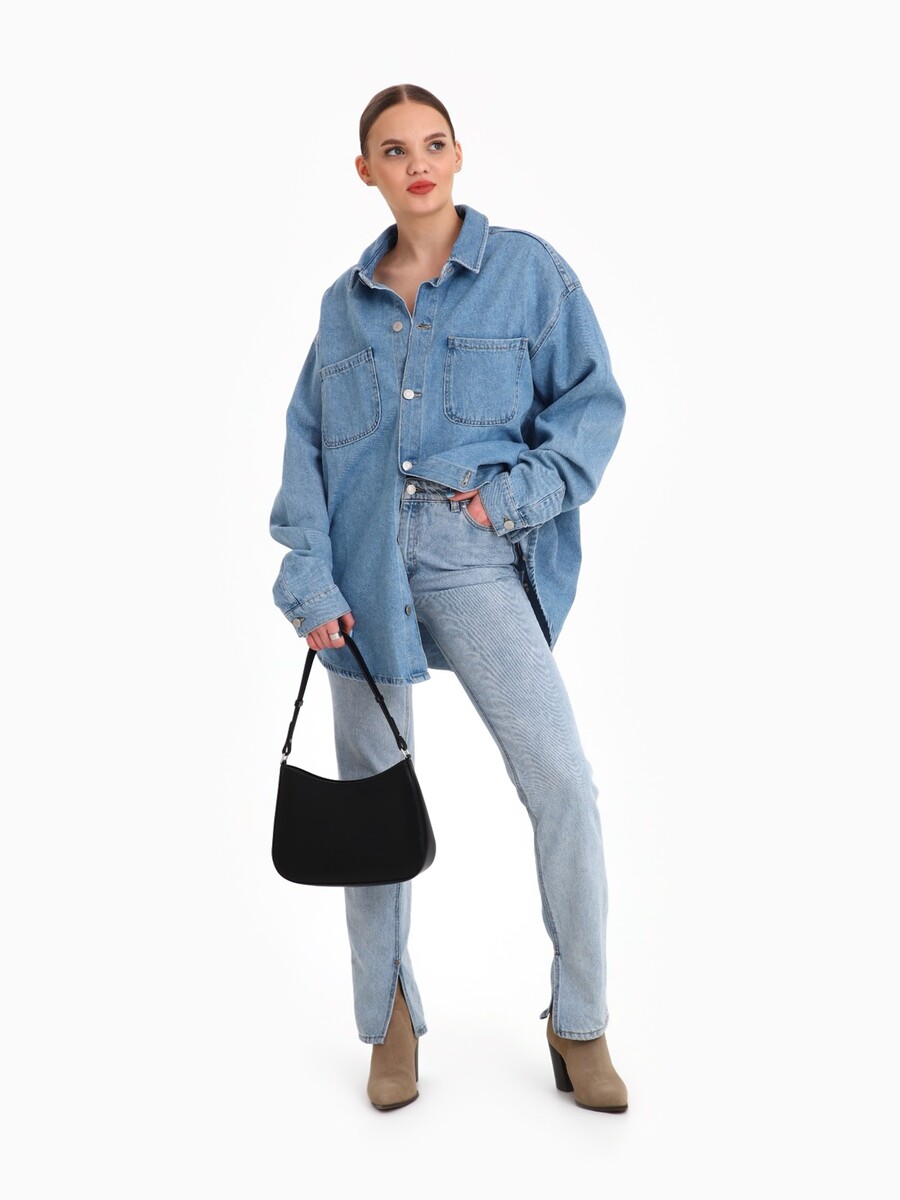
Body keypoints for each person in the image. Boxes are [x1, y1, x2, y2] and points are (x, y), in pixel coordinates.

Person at [269, 84, 628, 1113]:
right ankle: (387, 1020)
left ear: (458, 155)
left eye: (433, 144)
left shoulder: (527, 273)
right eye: (394, 150)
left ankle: (581, 1021)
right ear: (366, 172)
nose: (417, 163)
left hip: (472, 553)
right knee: (371, 806)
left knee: (562, 781)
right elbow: (305, 449)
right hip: (358, 575)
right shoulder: (343, 306)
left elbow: (592, 406)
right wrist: (308, 577)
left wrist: (510, 499)